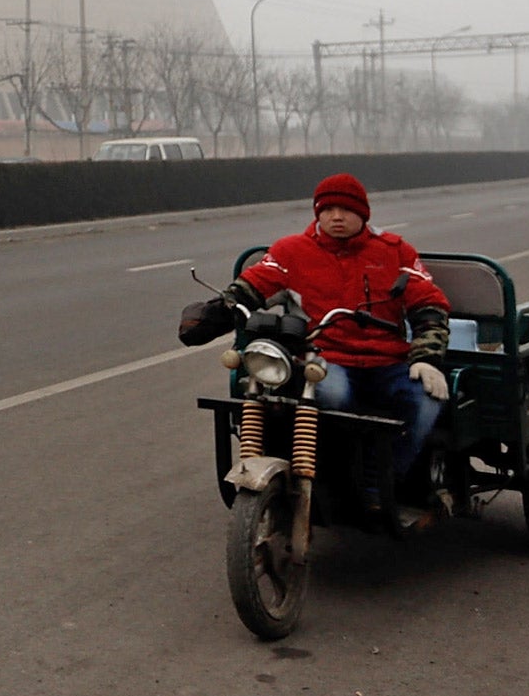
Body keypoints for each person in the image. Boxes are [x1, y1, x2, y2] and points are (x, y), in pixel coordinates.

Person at [178, 172, 452, 485]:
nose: (337, 217)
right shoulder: (290, 251)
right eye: (327, 210)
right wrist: (210, 316)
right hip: (325, 357)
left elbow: (429, 305)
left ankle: (381, 478)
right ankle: (329, 471)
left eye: (346, 210)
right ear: (317, 213)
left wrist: (427, 358)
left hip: (387, 361)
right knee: (332, 395)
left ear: (363, 214)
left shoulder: (394, 250)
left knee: (426, 401)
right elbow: (250, 287)